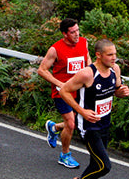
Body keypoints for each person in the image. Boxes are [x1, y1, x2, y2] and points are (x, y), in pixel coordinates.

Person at [60, 39, 129, 179]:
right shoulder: (87, 74)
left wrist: (121, 92)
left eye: (115, 54)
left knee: (95, 164)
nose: (114, 58)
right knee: (104, 166)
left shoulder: (114, 69)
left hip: (104, 123)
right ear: (98, 55)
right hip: (89, 127)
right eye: (110, 55)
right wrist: (82, 111)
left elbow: (115, 90)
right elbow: (64, 91)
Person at [37, 18, 91, 169]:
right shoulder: (55, 49)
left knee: (75, 121)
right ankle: (64, 155)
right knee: (71, 123)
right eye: (73, 32)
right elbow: (42, 70)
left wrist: (92, 77)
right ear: (64, 34)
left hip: (80, 90)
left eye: (78, 30)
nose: (77, 35)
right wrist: (59, 84)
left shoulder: (83, 42)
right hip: (63, 92)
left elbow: (87, 60)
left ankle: (54, 128)